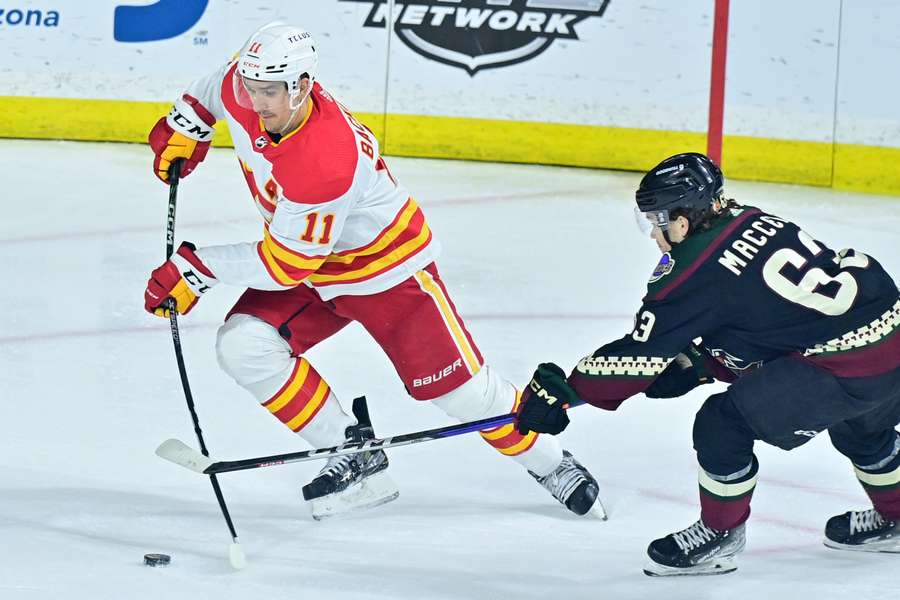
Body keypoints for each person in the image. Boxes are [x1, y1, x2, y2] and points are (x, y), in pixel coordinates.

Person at [142, 21, 603, 520]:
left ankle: (550, 462)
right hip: (314, 270)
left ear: (302, 86)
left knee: (462, 394)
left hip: (386, 272)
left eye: (269, 92)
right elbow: (221, 85)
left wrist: (198, 267)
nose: (256, 103)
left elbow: (286, 264)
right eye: (252, 89)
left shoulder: (325, 158)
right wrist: (189, 121)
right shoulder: (250, 86)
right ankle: (351, 451)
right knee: (243, 344)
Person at [516, 152, 900, 575]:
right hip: (890, 337)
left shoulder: (691, 269)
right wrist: (703, 364)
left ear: (681, 220)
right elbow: (771, 319)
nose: (653, 235)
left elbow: (639, 356)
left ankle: (720, 535)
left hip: (842, 366)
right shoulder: (752, 218)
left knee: (722, 424)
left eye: (655, 221)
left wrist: (567, 389)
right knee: (864, 429)